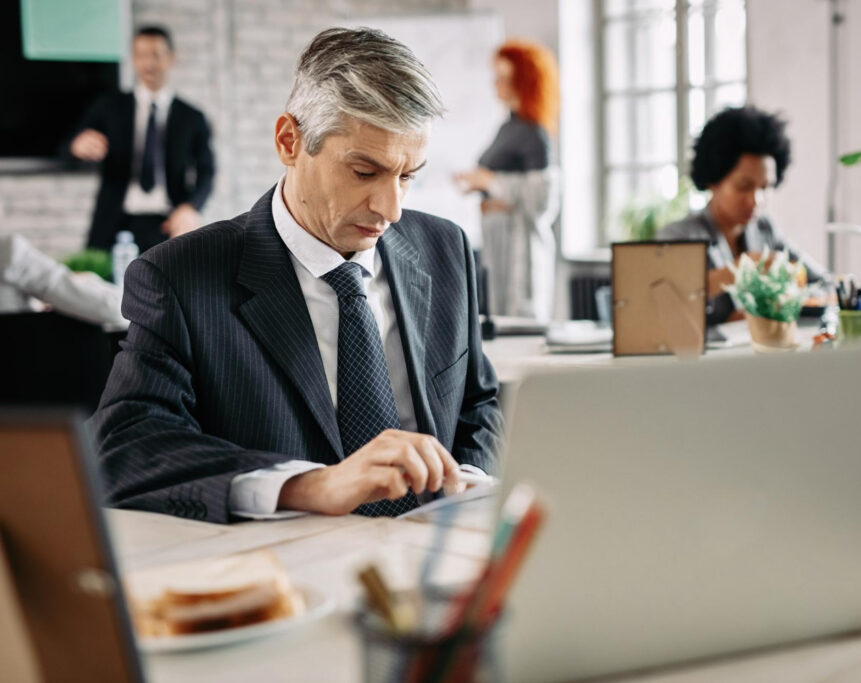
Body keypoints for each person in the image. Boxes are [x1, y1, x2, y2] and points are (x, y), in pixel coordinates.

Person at [90, 28, 503, 524]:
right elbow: (123, 448)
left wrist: (466, 485)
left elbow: (478, 405)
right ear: (290, 141)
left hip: (438, 560)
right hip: (292, 573)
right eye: (364, 172)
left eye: (408, 175)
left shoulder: (445, 249)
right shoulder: (179, 277)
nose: (391, 209)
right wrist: (312, 485)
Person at [657, 106, 825, 325]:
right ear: (713, 181)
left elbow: (823, 283)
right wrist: (739, 269)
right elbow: (665, 301)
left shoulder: (764, 229)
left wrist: (785, 298)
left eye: (766, 187)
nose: (756, 200)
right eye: (744, 186)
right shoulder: (679, 236)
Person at [69, 25, 214, 253]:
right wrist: (77, 145)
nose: (149, 63)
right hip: (114, 220)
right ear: (134, 59)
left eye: (156, 55)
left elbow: (207, 170)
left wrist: (191, 207)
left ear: (171, 58)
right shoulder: (109, 107)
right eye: (141, 55)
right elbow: (68, 149)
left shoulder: (192, 117)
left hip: (168, 222)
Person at [454, 40, 559, 323]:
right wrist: (478, 181)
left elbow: (543, 199)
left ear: (521, 80)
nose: (495, 84)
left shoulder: (534, 133)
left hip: (519, 246)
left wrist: (490, 180)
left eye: (503, 78)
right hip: (495, 240)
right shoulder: (506, 127)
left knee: (520, 319)